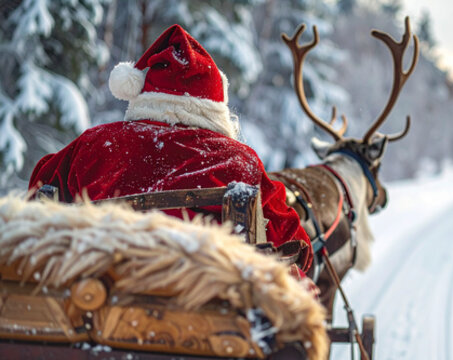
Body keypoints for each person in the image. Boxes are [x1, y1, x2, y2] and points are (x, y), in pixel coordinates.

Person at [27, 24, 313, 275]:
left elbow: (38, 195)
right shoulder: (240, 162)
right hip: (204, 300)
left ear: (144, 94)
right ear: (215, 107)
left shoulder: (94, 145)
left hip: (93, 290)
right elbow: (292, 240)